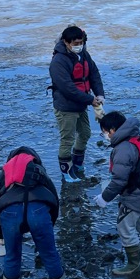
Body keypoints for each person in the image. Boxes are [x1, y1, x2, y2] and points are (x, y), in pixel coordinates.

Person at [0, 146, 71, 279]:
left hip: (9, 211)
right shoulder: (40, 171)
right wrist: (50, 224)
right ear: (34, 159)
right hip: (39, 210)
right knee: (49, 252)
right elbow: (54, 200)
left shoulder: (3, 174)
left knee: (12, 255)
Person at [93, 111, 140, 277]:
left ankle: (133, 264)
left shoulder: (123, 149)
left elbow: (118, 181)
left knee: (125, 226)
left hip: (136, 193)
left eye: (105, 132)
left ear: (113, 130)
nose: (104, 136)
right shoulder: (137, 137)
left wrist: (104, 198)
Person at [48, 25, 105, 184]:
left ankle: (78, 164)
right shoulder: (58, 62)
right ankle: (66, 172)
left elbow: (94, 74)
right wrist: (90, 100)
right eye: (76, 43)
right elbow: (67, 88)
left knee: (85, 133)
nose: (79, 45)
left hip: (81, 104)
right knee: (67, 139)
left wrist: (99, 95)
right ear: (66, 42)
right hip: (66, 107)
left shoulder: (84, 55)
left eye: (81, 42)